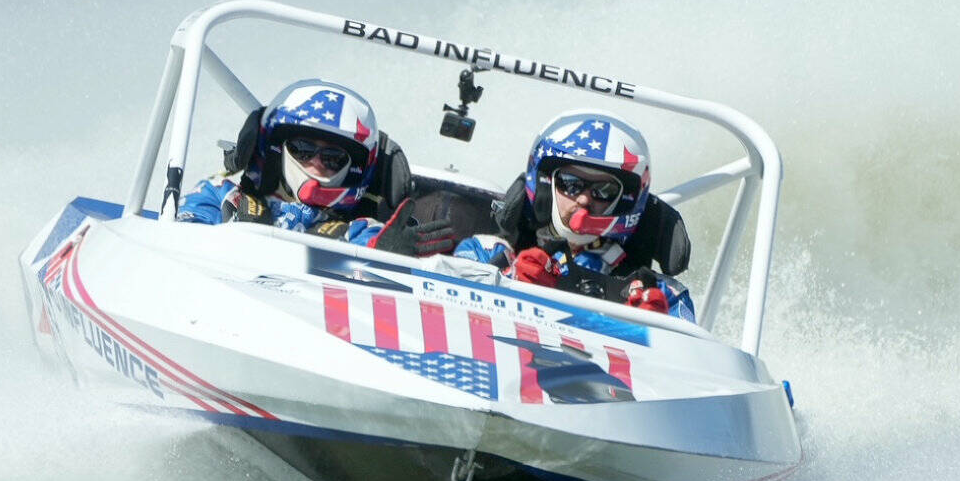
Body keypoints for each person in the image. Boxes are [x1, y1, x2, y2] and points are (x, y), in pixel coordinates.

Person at [452, 109, 694, 320]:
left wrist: (649, 330)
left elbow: (689, 364)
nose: (584, 199)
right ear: (546, 185)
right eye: (571, 183)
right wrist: (509, 282)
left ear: (624, 200)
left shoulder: (664, 295)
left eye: (604, 191)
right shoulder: (485, 252)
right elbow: (446, 311)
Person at [178, 79, 452, 256]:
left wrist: (386, 254)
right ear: (277, 149)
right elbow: (181, 240)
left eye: (334, 157)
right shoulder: (222, 196)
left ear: (355, 167)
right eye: (303, 150)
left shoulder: (361, 231)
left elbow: (376, 247)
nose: (317, 162)